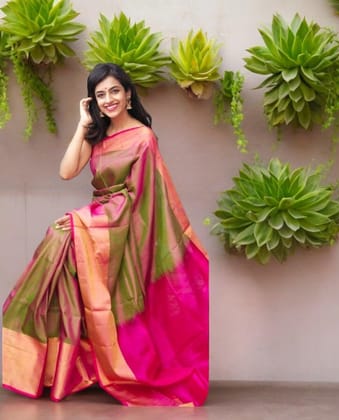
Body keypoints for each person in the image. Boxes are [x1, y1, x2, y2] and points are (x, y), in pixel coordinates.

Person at [2, 63, 209, 406]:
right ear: (93, 101)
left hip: (121, 224)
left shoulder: (142, 138)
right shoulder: (98, 133)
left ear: (128, 95)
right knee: (62, 267)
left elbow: (141, 198)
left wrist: (85, 222)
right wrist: (82, 125)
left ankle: (76, 368)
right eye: (100, 94)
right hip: (99, 219)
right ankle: (56, 370)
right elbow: (67, 171)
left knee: (62, 236)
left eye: (114, 91)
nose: (109, 99)